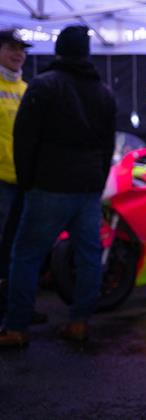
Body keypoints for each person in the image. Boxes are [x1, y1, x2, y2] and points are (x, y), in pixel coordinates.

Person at [0, 25, 116, 347]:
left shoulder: (42, 86)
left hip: (48, 186)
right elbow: (107, 145)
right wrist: (98, 178)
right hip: (88, 188)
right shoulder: (103, 92)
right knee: (89, 256)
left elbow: (25, 139)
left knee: (25, 255)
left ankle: (16, 327)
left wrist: (27, 182)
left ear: (59, 50)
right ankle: (79, 323)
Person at [0, 30, 30, 323]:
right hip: (1, 182)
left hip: (22, 182)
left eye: (22, 49)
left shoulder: (26, 89)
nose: (18, 53)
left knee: (15, 248)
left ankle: (12, 307)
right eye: (12, 47)